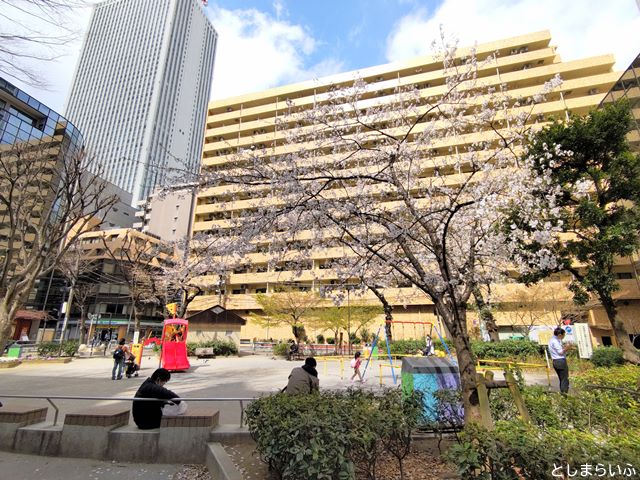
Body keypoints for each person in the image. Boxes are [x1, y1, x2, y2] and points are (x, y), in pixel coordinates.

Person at [548, 327, 572, 394]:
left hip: (555, 361)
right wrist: (567, 348)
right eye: (564, 335)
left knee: (562, 379)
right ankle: (564, 395)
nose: (564, 337)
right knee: (564, 379)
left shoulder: (552, 340)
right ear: (560, 335)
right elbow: (560, 352)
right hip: (560, 361)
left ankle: (563, 393)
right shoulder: (555, 341)